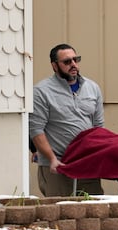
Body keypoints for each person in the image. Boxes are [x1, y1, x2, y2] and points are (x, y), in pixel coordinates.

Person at [29, 43, 105, 197]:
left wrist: (97, 157)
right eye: (67, 62)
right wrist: (51, 159)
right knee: (60, 215)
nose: (73, 65)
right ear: (54, 66)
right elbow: (36, 130)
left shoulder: (92, 88)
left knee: (93, 212)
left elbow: (98, 127)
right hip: (57, 166)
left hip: (86, 164)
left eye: (75, 60)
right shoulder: (41, 92)